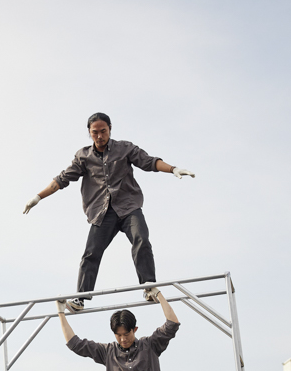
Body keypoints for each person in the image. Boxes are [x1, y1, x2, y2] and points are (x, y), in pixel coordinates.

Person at [23, 112, 195, 310]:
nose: (99, 136)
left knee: (141, 238)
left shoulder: (125, 148)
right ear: (89, 132)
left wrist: (173, 169)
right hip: (102, 213)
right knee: (91, 253)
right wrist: (38, 197)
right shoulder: (83, 156)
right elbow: (62, 179)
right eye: (95, 132)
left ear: (110, 129)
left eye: (103, 131)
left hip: (128, 207)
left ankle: (148, 286)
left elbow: (148, 161)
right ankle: (80, 298)